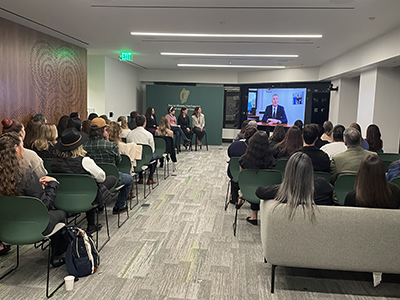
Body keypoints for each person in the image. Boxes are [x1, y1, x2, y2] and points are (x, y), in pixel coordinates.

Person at [0, 132, 66, 254]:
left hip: (4, 228)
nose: (24, 150)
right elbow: (44, 207)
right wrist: (52, 185)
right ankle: (57, 253)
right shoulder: (25, 175)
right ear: (16, 148)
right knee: (61, 213)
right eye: (22, 146)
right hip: (33, 226)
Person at [51, 127, 116, 234]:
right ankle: (91, 224)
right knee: (105, 181)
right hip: (85, 199)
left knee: (87, 187)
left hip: (62, 200)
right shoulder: (84, 161)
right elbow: (102, 177)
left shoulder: (54, 162)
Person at [257, 152, 333, 222]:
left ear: (288, 171)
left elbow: (259, 191)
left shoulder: (280, 192)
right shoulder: (323, 186)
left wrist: (281, 186)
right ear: (310, 170)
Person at [83, 117, 133, 214]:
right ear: (104, 130)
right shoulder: (111, 145)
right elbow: (118, 161)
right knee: (129, 179)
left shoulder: (84, 146)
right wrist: (107, 140)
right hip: (111, 178)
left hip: (92, 181)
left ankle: (100, 206)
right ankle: (119, 206)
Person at [237, 131, 275, 225]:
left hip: (248, 192)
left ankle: (254, 216)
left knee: (254, 184)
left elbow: (242, 178)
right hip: (267, 191)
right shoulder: (272, 161)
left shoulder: (243, 160)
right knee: (261, 184)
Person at [227, 126, 258, 205]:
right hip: (254, 175)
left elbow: (230, 155)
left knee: (236, 173)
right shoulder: (259, 149)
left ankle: (234, 197)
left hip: (234, 173)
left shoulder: (234, 145)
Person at [126, 115, 158, 185]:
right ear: (145, 123)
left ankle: (141, 178)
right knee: (155, 157)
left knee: (139, 157)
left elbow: (128, 146)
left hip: (133, 157)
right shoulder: (149, 134)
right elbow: (152, 150)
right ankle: (150, 178)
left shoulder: (130, 134)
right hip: (146, 157)